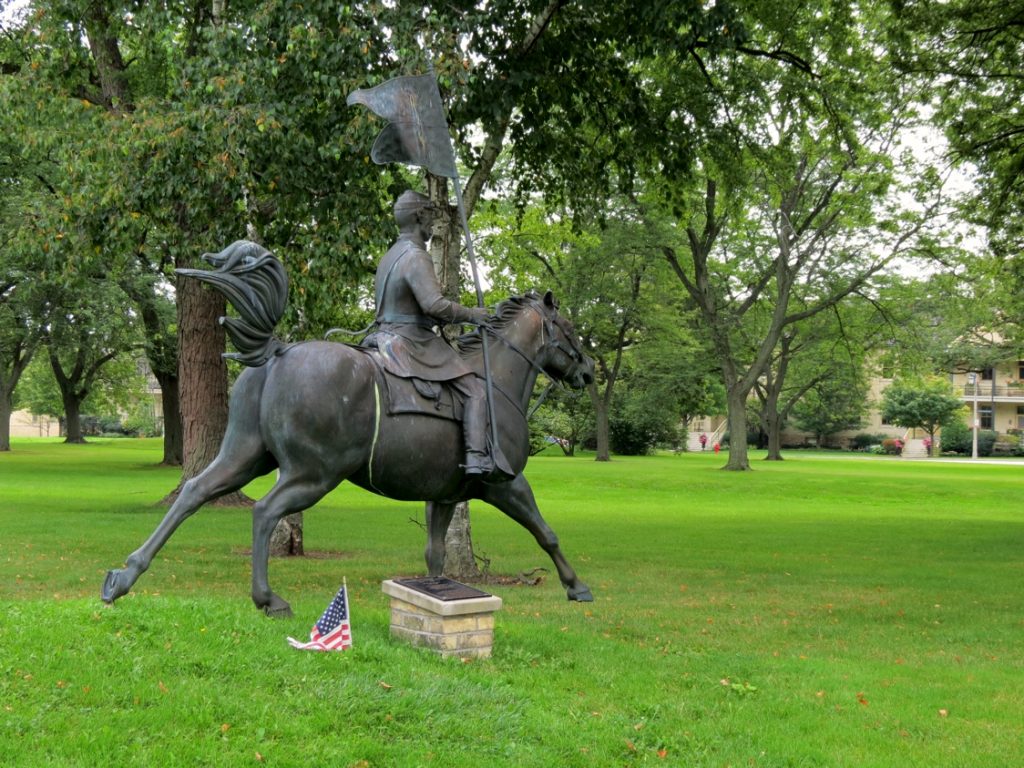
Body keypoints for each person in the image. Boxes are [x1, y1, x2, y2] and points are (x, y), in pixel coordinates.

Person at [363, 189, 494, 476]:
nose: (433, 223)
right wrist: (474, 315)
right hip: (412, 339)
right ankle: (476, 457)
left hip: (383, 334)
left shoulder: (390, 256)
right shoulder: (416, 255)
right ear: (419, 216)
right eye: (431, 216)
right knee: (475, 390)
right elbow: (433, 304)